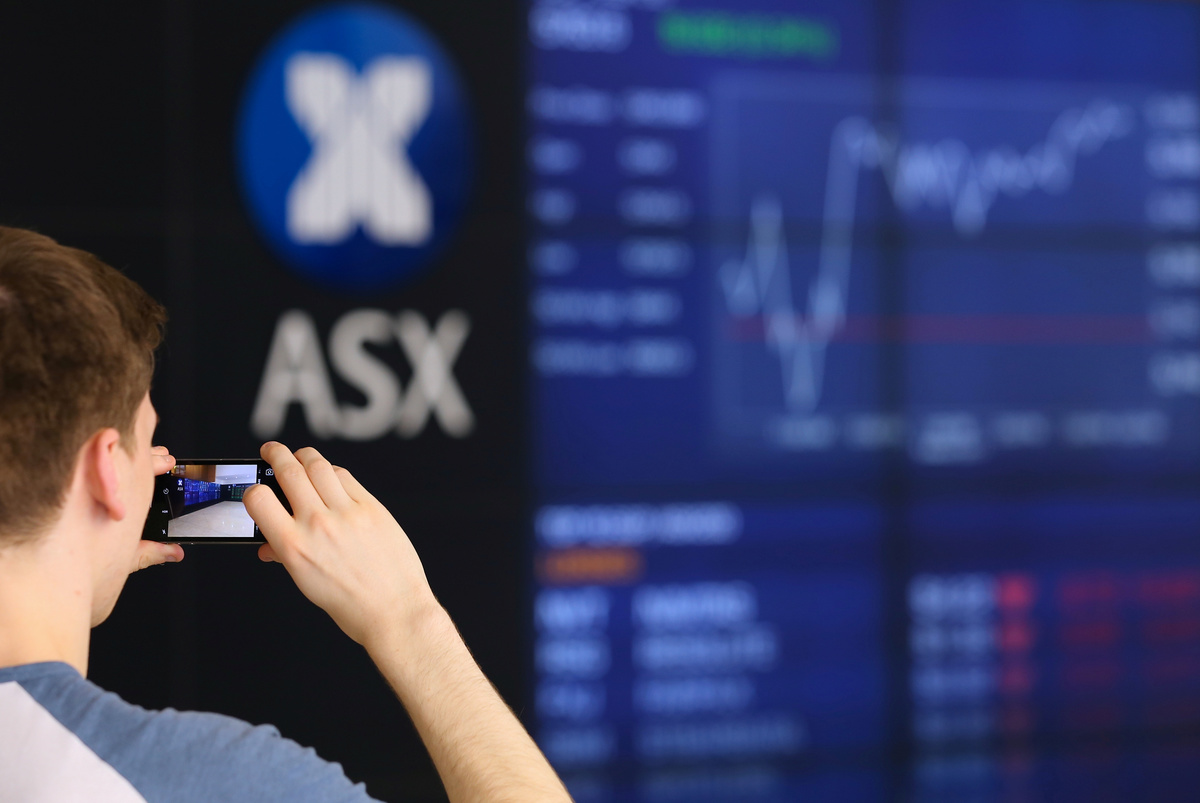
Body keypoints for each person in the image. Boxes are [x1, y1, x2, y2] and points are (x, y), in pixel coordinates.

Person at [0, 226, 572, 802]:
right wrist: (407, 618)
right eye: (142, 441)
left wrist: (85, 550)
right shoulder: (221, 779)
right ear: (105, 471)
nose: (157, 466)